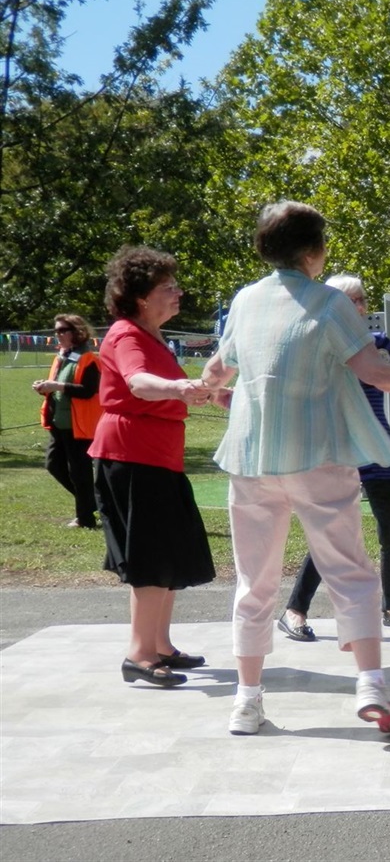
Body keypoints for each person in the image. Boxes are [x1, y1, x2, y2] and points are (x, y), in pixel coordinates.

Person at [200, 201, 390, 736]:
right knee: (351, 573)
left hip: (251, 459)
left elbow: (219, 368)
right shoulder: (331, 304)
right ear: (315, 251)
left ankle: (247, 700)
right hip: (320, 457)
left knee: (253, 580)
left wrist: (211, 390)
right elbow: (377, 372)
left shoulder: (244, 301)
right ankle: (372, 687)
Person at [88, 247, 217, 688]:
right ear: (141, 297)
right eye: (168, 287)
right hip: (131, 456)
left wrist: (206, 392)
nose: (178, 292)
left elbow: (164, 387)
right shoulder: (126, 336)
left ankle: (160, 645)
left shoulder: (151, 335)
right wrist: (179, 387)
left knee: (169, 555)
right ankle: (140, 655)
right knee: (150, 559)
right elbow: (139, 383)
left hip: (157, 457)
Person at [279, 274, 390, 641]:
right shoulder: (320, 344)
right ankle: (294, 610)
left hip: (377, 450)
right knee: (330, 533)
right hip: (338, 450)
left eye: (362, 300)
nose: (360, 307)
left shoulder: (378, 343)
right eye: (352, 301)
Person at [32, 314, 103, 529]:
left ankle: (86, 518)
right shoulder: (62, 356)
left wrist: (56, 386)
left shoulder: (88, 358)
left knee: (78, 472)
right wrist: (44, 386)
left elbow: (89, 391)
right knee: (54, 465)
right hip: (58, 422)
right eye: (56, 331)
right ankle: (92, 503)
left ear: (77, 332)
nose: (58, 335)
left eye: (62, 330)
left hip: (79, 425)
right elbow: (57, 388)